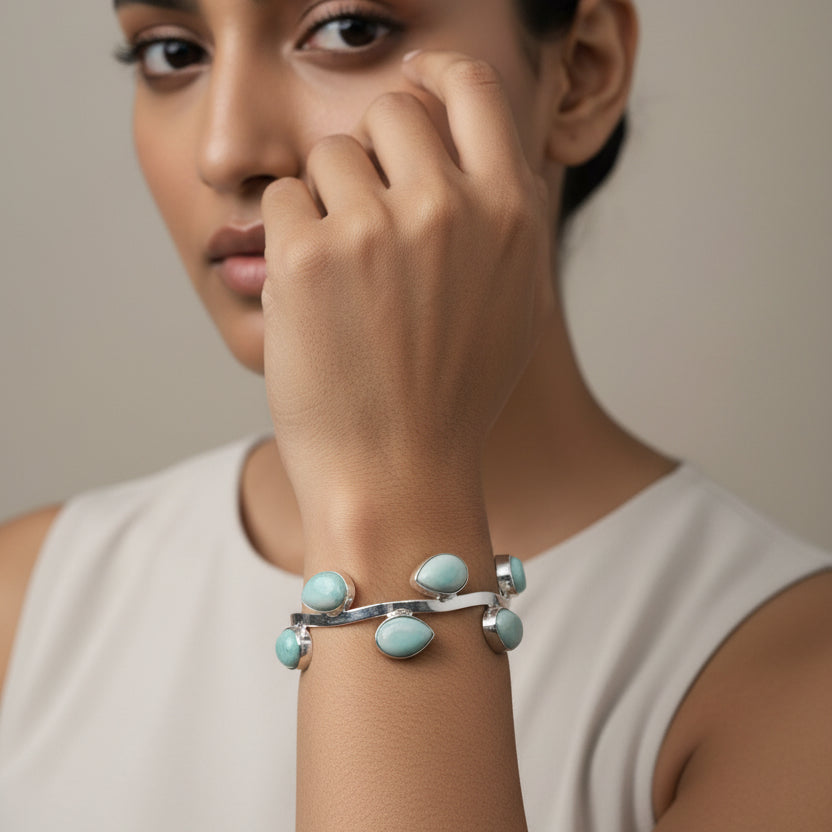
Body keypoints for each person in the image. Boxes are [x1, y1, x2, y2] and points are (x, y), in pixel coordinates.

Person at [0, 0, 830, 829]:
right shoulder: (26, 602)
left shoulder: (791, 686)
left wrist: (395, 478)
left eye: (348, 29)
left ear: (582, 73)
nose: (225, 151)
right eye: (171, 51)